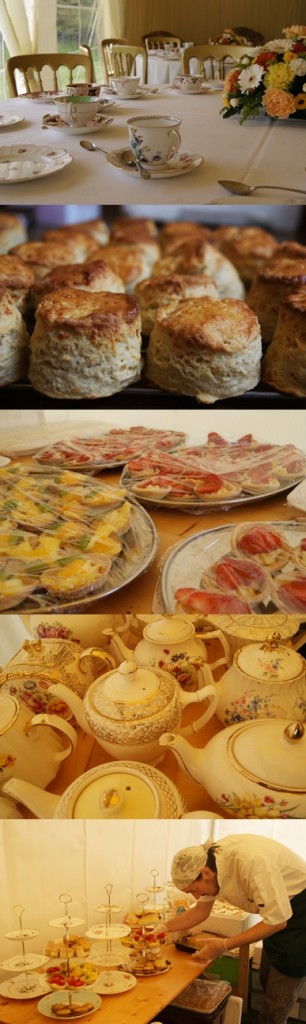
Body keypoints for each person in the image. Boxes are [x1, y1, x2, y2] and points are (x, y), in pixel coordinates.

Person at [163, 834, 306, 1024]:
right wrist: (163, 927)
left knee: (279, 993)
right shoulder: (210, 863)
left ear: (206, 873)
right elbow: (200, 911)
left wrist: (224, 945)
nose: (197, 897)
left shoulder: (252, 863)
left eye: (193, 890)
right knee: (266, 977)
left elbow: (278, 922)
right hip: (277, 912)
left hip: (301, 910)